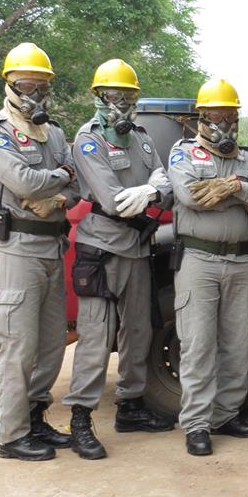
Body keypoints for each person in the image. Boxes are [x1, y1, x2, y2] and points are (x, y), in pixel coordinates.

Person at [63, 58, 175, 459]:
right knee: (96, 336)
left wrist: (149, 192)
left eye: (127, 95)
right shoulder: (88, 140)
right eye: (113, 94)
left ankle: (131, 406)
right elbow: (112, 200)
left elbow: (167, 185)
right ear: (98, 96)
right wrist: (151, 191)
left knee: (138, 331)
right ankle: (80, 417)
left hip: (138, 248)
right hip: (103, 249)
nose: (121, 102)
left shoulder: (143, 139)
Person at [0, 42, 79, 460]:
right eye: (26, 85)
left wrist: (53, 190)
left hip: (51, 244)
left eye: (41, 85)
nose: (35, 93)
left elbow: (75, 186)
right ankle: (12, 435)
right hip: (16, 247)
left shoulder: (53, 133)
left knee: (52, 343)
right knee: (18, 346)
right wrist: (55, 179)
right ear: (10, 85)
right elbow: (24, 182)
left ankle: (36, 416)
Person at [167, 78, 248, 456]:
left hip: (241, 259)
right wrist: (238, 193)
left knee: (237, 343)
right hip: (199, 259)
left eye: (229, 116)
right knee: (198, 344)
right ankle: (197, 423)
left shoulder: (246, 159)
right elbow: (190, 196)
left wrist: (234, 188)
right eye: (215, 116)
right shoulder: (183, 154)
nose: (223, 124)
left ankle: (227, 414)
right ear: (201, 118)